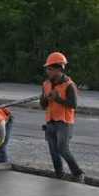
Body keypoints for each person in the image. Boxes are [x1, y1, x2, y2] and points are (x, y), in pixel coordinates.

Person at [40, 51, 84, 181]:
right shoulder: (46, 84)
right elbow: (43, 106)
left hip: (64, 122)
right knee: (53, 151)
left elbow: (73, 105)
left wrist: (58, 98)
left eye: (50, 69)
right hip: (50, 121)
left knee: (62, 148)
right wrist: (44, 99)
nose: (48, 71)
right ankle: (59, 175)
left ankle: (78, 173)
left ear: (59, 69)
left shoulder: (69, 85)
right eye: (47, 69)